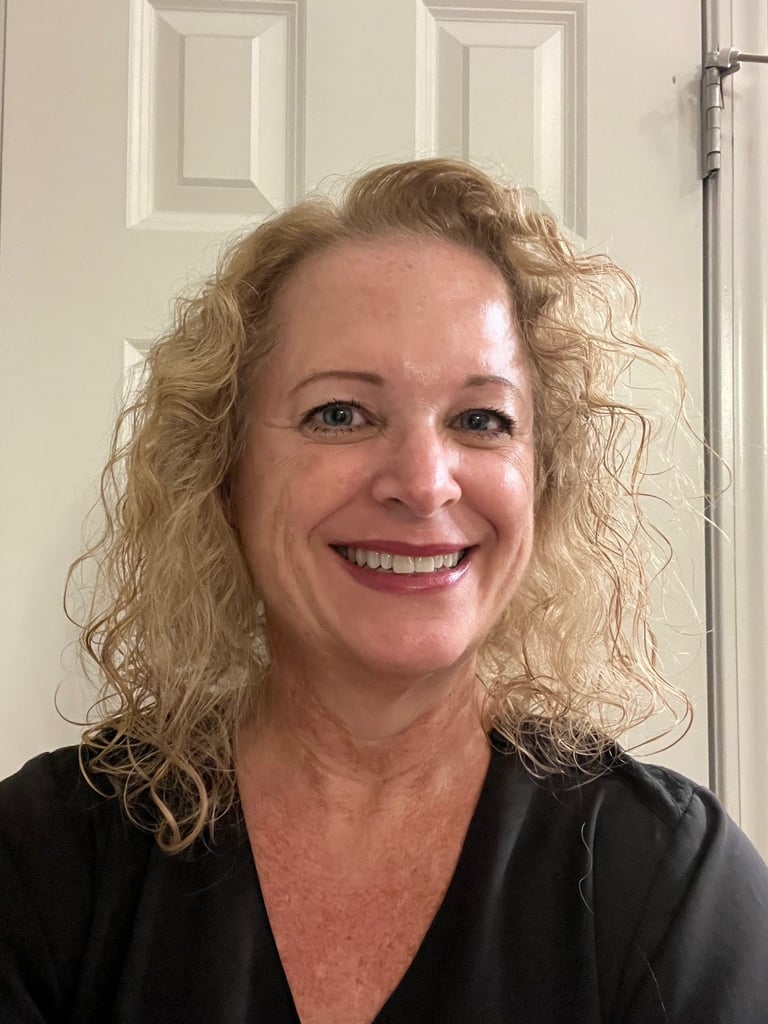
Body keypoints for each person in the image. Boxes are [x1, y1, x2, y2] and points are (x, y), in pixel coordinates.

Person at [1, 158, 766, 1024]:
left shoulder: (668, 878)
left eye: (481, 420)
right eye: (340, 413)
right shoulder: (45, 856)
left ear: (541, 483)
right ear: (222, 473)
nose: (423, 481)